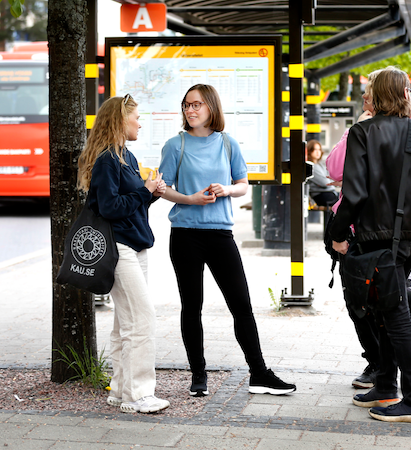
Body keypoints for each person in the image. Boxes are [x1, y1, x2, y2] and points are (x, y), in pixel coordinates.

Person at [158, 84, 296, 397]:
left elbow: (242, 185)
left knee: (241, 306)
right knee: (192, 307)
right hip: (185, 236)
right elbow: (162, 188)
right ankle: (198, 375)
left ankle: (259, 373)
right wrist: (190, 199)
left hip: (221, 235)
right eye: (186, 105)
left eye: (197, 105)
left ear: (211, 108)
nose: (190, 111)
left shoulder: (227, 143)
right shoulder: (175, 145)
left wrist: (227, 189)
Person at [329, 67, 411, 424]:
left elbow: (354, 193)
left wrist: (337, 234)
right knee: (383, 310)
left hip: (377, 238)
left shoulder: (363, 132)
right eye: (410, 89)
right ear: (404, 94)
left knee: (394, 316)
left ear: (376, 95)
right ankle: (385, 386)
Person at [76, 94, 170, 414]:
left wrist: (150, 193)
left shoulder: (126, 157)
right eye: (136, 117)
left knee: (125, 322)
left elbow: (131, 204)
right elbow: (110, 208)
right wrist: (144, 191)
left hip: (135, 244)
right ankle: (139, 394)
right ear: (120, 120)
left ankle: (119, 390)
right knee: (142, 319)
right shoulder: (107, 160)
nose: (140, 123)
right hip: (119, 249)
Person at [325, 71, 382, 390]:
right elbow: (334, 168)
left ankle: (381, 364)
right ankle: (378, 362)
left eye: (369, 93)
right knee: (360, 301)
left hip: (366, 229)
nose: (363, 98)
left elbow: (342, 176)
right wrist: (355, 130)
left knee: (372, 302)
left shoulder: (399, 131)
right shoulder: (363, 128)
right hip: (353, 226)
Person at [305, 139, 337, 228]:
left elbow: (330, 178)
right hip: (321, 195)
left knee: (346, 197)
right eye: (315, 150)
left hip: (328, 193)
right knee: (346, 200)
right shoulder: (311, 166)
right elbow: (325, 182)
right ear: (310, 151)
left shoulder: (320, 165)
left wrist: (329, 182)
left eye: (319, 149)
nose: (318, 152)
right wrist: (331, 183)